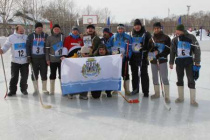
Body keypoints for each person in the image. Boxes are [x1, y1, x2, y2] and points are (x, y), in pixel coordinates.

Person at [170, 24, 201, 106]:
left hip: (189, 62)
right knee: (179, 79)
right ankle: (181, 98)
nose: (176, 32)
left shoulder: (191, 37)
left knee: (191, 79)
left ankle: (193, 100)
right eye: (176, 31)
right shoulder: (174, 40)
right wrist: (171, 62)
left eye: (177, 31)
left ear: (182, 30)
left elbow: (197, 49)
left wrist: (197, 61)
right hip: (179, 62)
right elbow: (172, 52)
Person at [0, 25, 29, 96]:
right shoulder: (11, 37)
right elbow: (6, 45)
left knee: (24, 76)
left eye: (23, 30)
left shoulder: (26, 37)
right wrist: (2, 50)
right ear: (16, 30)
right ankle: (12, 90)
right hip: (15, 61)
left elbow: (30, 46)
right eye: (20, 30)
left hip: (25, 61)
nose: (22, 31)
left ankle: (24, 89)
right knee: (14, 76)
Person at [148, 22, 171, 103]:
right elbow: (149, 51)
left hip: (162, 61)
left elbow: (168, 50)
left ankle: (167, 96)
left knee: (164, 77)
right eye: (155, 28)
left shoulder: (166, 38)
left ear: (160, 28)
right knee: (155, 77)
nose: (156, 30)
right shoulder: (151, 39)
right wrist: (151, 57)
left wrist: (160, 54)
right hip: (153, 62)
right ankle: (157, 93)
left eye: (158, 28)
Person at [108, 24, 132, 95]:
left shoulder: (127, 37)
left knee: (125, 74)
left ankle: (127, 89)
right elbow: (109, 46)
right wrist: (111, 52)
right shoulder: (114, 37)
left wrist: (128, 55)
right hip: (115, 60)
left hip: (124, 59)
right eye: (119, 29)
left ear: (124, 29)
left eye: (121, 29)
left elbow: (130, 48)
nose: (120, 30)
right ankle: (116, 89)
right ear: (117, 29)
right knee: (115, 74)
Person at [129, 19, 151, 97]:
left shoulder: (146, 34)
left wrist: (144, 48)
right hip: (134, 57)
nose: (137, 27)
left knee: (144, 74)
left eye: (138, 25)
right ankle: (135, 89)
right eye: (135, 25)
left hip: (143, 57)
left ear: (141, 26)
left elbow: (151, 45)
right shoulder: (131, 34)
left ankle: (145, 91)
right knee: (134, 74)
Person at [26, 22, 49, 95]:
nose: (40, 29)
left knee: (44, 73)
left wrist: (47, 57)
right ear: (35, 28)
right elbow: (27, 46)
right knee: (34, 74)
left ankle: (44, 89)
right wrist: (28, 56)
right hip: (34, 58)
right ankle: (36, 89)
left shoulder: (45, 35)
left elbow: (48, 47)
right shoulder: (30, 36)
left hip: (43, 58)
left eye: (41, 28)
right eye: (38, 28)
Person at [46, 24, 64, 94]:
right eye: (55, 29)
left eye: (58, 29)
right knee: (52, 74)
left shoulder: (63, 36)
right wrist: (47, 59)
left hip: (61, 60)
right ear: (53, 30)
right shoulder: (49, 38)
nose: (56, 30)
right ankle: (52, 90)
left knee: (61, 75)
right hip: (52, 59)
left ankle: (63, 90)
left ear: (60, 30)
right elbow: (47, 49)